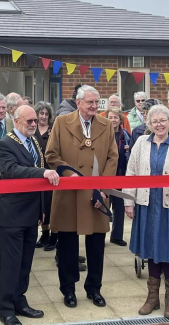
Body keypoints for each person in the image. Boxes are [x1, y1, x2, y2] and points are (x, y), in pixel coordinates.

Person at [45, 85, 118, 309]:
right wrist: (72, 176)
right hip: (69, 194)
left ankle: (94, 288)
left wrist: (103, 189)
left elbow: (112, 157)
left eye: (97, 103)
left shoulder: (106, 126)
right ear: (78, 103)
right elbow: (51, 155)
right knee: (67, 246)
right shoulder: (61, 122)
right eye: (90, 103)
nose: (95, 107)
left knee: (96, 245)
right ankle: (68, 290)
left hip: (97, 194)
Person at [123, 105, 169, 319]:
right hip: (146, 205)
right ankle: (152, 297)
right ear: (149, 124)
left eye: (164, 120)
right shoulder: (141, 144)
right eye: (155, 121)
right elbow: (131, 172)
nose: (159, 124)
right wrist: (128, 201)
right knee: (151, 248)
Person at [0, 105, 60, 325]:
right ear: (16, 121)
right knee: (10, 264)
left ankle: (19, 300)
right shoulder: (5, 143)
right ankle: (6, 309)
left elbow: (39, 181)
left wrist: (43, 209)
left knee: (25, 263)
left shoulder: (33, 141)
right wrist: (42, 172)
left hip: (32, 213)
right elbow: (10, 171)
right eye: (29, 121)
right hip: (12, 214)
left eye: (35, 120)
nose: (34, 124)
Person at [105, 107, 131, 247]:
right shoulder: (102, 134)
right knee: (103, 207)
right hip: (106, 176)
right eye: (110, 117)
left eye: (115, 117)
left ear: (120, 119)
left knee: (119, 208)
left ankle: (117, 236)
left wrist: (129, 149)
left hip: (121, 175)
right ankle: (100, 236)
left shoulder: (126, 135)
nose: (113, 120)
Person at [33, 102, 56, 250]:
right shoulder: (32, 129)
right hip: (35, 172)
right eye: (41, 113)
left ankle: (53, 237)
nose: (43, 116)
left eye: (46, 114)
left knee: (50, 204)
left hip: (51, 172)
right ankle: (44, 234)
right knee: (39, 205)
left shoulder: (53, 130)